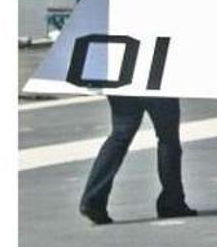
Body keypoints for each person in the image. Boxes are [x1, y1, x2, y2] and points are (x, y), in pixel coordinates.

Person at [78, 95, 196, 224]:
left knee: (119, 136)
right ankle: (172, 201)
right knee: (168, 138)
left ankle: (93, 199)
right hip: (157, 83)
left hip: (125, 83)